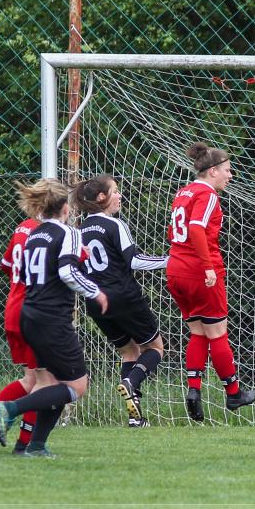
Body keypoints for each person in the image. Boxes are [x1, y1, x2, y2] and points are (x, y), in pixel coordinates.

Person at [0, 179, 109, 457]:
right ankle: (9, 408)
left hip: (29, 315)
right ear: (66, 208)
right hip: (51, 319)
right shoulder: (67, 233)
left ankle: (35, 446)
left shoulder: (34, 233)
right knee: (77, 385)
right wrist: (96, 292)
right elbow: (68, 272)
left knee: (52, 383)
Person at [166, 142, 255, 422]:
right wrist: (207, 267)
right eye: (228, 170)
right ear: (213, 171)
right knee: (217, 332)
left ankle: (194, 390)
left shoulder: (183, 192)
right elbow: (195, 228)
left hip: (176, 269)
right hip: (199, 272)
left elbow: (176, 230)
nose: (231, 176)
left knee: (198, 332)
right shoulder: (207, 195)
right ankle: (233, 393)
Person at [74, 175, 169, 427]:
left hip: (95, 302)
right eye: (115, 191)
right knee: (155, 348)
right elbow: (135, 261)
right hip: (124, 296)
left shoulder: (78, 231)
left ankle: (135, 418)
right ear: (101, 198)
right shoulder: (114, 225)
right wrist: (172, 259)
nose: (120, 196)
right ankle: (132, 382)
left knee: (129, 351)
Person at [0, 202, 41, 454]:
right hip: (34, 312)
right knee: (44, 382)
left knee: (32, 380)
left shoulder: (22, 228)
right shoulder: (48, 232)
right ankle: (25, 444)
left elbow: (6, 265)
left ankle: (25, 442)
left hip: (14, 307)